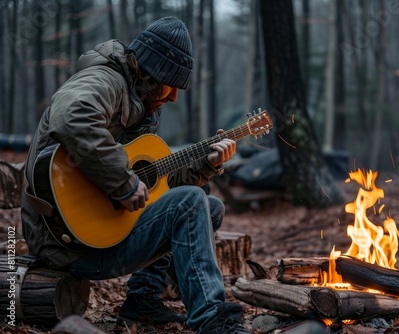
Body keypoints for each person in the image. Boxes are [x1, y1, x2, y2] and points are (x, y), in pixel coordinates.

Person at [21, 17, 251, 334]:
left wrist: (207, 165)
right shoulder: (105, 81)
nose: (173, 97)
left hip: (98, 236)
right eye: (172, 84)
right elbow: (71, 116)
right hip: (67, 243)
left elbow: (162, 195)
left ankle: (142, 300)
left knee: (208, 206)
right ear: (152, 72)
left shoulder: (137, 102)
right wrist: (123, 183)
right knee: (191, 201)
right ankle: (211, 319)